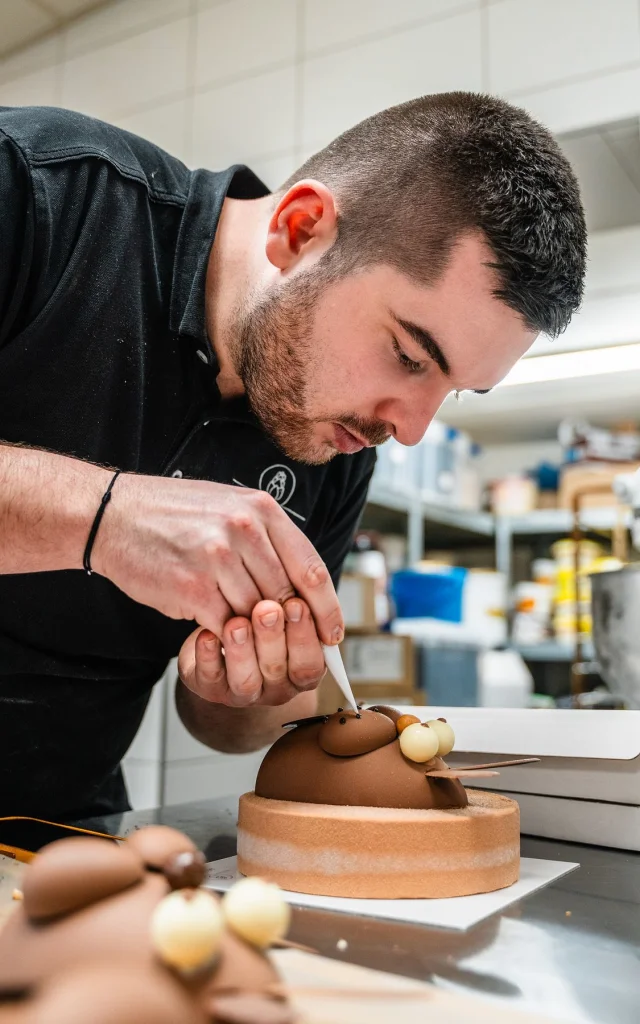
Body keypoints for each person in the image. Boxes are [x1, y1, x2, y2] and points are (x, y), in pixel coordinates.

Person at [0, 92, 586, 820]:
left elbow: (225, 726)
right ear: (300, 229)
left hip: (54, 827)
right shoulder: (41, 188)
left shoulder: (336, 442)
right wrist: (105, 516)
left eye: (455, 392)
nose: (410, 431)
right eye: (407, 355)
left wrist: (251, 686)